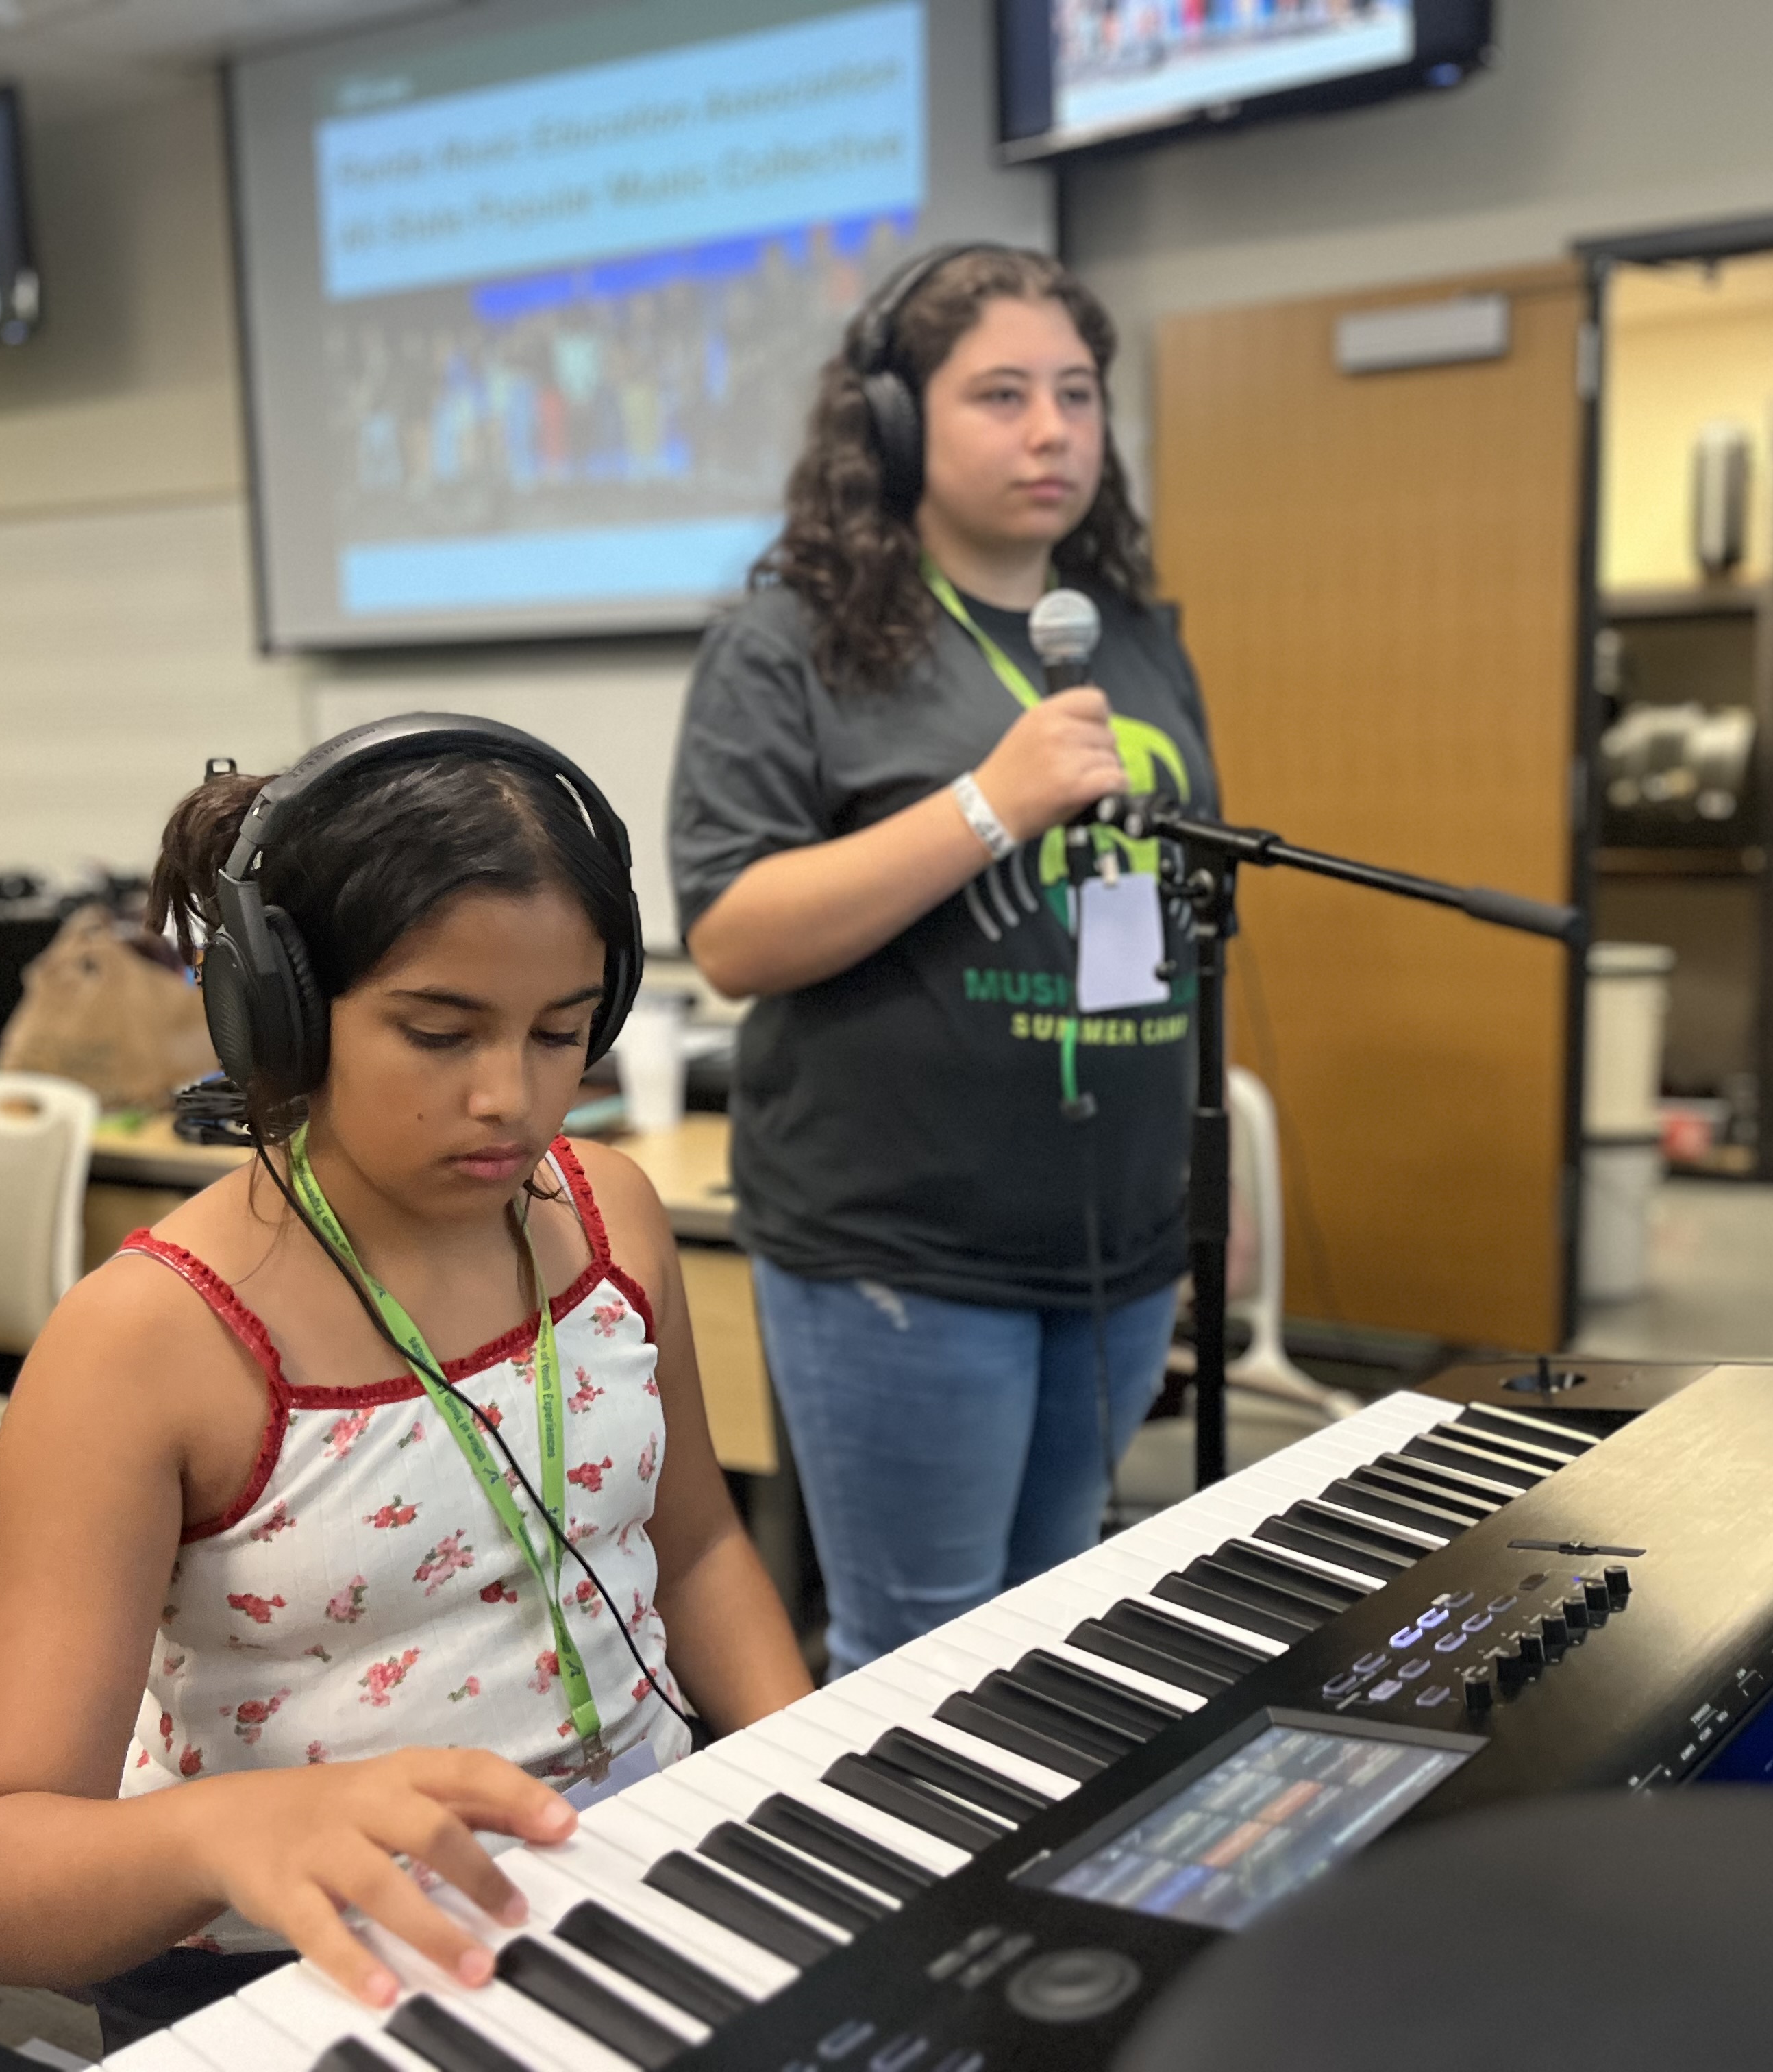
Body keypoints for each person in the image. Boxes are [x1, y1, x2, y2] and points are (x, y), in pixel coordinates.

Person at [0, 724, 811, 2038]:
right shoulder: (147, 1344)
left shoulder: (608, 1216)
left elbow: (693, 1551)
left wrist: (813, 1773)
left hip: (626, 1875)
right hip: (299, 1969)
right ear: (276, 1012)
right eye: (440, 1034)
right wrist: (233, 1825)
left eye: (563, 1034)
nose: (511, 1098)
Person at [669, 245, 1219, 1679]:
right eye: (1001, 396)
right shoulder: (788, 642)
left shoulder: (1138, 642)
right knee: (924, 1657)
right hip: (902, 1249)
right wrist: (991, 804)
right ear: (900, 426)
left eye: (1079, 395)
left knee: (1058, 1635)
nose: (1052, 431)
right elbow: (730, 934)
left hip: (1115, 1241)